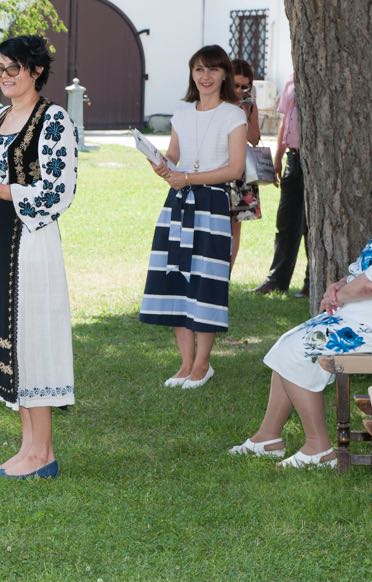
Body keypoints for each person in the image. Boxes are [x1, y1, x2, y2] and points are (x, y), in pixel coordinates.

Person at [230, 151, 372, 467]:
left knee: (298, 348)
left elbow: (371, 286)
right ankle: (268, 437)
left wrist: (339, 295)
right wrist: (340, 285)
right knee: (290, 344)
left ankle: (319, 449)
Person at [0, 35, 78, 480]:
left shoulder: (54, 120)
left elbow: (58, 190)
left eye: (13, 70)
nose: (6, 78)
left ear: (36, 71)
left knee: (32, 337)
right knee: (8, 337)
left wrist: (2, 190)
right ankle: (27, 447)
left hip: (30, 241)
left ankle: (43, 452)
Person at [140, 45, 248, 389]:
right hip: (179, 202)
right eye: (199, 69)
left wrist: (188, 178)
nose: (205, 76)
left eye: (213, 70)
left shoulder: (235, 114)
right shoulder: (182, 111)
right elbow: (175, 155)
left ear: (224, 75)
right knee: (177, 279)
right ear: (192, 73)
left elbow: (234, 168)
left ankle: (203, 365)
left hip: (212, 203)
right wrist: (160, 164)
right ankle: (185, 364)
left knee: (205, 282)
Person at [252, 71, 310, 297]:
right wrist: (278, 158)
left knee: (311, 225)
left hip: (314, 159)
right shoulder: (291, 79)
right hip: (293, 158)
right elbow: (286, 120)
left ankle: (310, 282)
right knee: (285, 221)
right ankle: (277, 279)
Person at [228, 58, 263, 267]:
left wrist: (243, 114)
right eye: (236, 85)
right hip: (218, 168)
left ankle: (227, 273)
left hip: (242, 172)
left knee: (236, 226)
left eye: (245, 86)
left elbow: (254, 138)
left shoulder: (249, 105)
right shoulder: (216, 102)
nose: (240, 90)